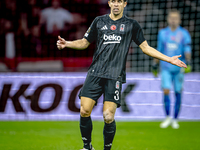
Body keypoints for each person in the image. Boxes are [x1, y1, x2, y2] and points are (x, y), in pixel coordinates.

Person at [57, 1, 187, 149]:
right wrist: (67, 43)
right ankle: (87, 147)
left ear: (124, 3)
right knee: (84, 110)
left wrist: (169, 59)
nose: (116, 4)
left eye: (120, 1)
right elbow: (84, 42)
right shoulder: (99, 21)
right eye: (113, 1)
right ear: (109, 3)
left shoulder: (132, 24)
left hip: (115, 76)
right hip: (95, 73)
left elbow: (145, 48)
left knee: (108, 116)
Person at [152, 9, 191, 129]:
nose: (173, 20)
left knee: (178, 92)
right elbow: (159, 50)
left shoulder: (184, 33)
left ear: (179, 20)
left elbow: (187, 49)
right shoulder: (163, 33)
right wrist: (155, 64)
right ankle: (168, 117)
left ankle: (175, 119)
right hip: (166, 68)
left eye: (176, 18)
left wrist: (188, 62)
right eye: (171, 18)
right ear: (168, 19)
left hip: (179, 68)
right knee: (166, 90)